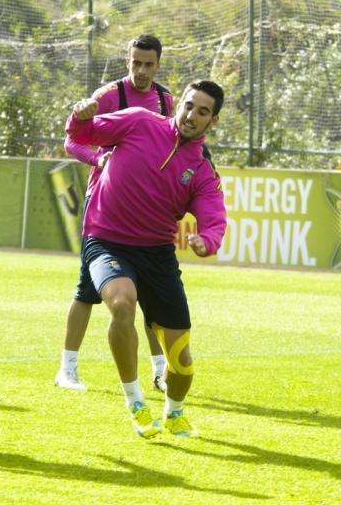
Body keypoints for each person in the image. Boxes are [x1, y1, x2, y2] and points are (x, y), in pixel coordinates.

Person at [64, 79, 226, 438]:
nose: (191, 115)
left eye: (202, 112)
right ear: (178, 103)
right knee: (122, 304)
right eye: (188, 105)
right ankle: (135, 401)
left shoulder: (200, 169)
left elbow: (214, 217)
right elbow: (83, 132)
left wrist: (207, 240)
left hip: (158, 255)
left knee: (182, 365)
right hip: (106, 240)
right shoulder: (138, 120)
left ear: (212, 121)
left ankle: (175, 412)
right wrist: (80, 115)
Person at [55, 34, 173, 392]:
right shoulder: (108, 97)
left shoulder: (167, 100)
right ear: (127, 60)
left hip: (147, 209)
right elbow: (72, 139)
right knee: (86, 291)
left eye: (148, 64)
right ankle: (67, 369)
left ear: (158, 64)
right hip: (104, 207)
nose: (140, 70)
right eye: (135, 63)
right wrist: (98, 158)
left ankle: (158, 372)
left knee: (152, 294)